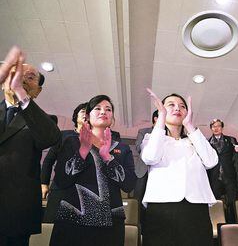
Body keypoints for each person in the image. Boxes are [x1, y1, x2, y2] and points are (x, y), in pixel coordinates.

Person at [49, 95, 136, 246]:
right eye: (98, 108)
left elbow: (129, 184)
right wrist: (83, 151)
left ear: (112, 118)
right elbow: (61, 180)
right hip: (73, 217)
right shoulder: (71, 142)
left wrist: (108, 157)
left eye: (108, 109)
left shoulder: (122, 148)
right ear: (87, 116)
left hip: (111, 221)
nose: (103, 112)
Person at [141, 89, 218, 246]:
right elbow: (150, 157)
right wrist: (161, 119)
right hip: (162, 208)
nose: (177, 108)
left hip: (196, 207)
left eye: (182, 106)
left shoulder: (195, 138)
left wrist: (189, 125)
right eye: (171, 105)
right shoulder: (152, 138)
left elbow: (211, 161)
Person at [0, 47, 61, 246]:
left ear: (38, 90)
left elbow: (50, 138)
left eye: (30, 77)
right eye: (16, 74)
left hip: (16, 211)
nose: (23, 78)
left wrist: (19, 91)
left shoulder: (44, 120)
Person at [41, 102, 87, 222]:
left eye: (89, 112)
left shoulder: (96, 139)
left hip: (84, 191)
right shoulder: (63, 135)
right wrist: (44, 183)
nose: (85, 114)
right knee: (52, 222)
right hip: (60, 188)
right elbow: (48, 161)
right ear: (75, 116)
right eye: (83, 111)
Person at [207, 119, 238, 223]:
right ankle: (217, 224)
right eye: (213, 126)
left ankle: (233, 224)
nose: (216, 128)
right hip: (214, 177)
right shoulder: (207, 143)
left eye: (218, 126)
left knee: (232, 203)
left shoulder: (231, 140)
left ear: (222, 128)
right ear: (211, 128)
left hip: (229, 176)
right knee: (215, 202)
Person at [133, 109, 158, 231]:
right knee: (138, 199)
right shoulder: (143, 132)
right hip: (142, 171)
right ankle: (137, 228)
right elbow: (138, 147)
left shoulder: (168, 134)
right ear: (155, 119)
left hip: (158, 172)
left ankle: (152, 228)